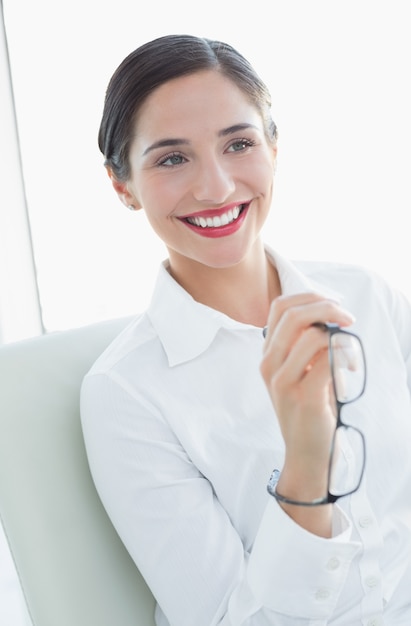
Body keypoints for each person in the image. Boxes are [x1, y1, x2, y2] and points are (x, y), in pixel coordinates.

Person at [80, 34, 411, 625]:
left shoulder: (366, 296)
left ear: (275, 148)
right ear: (122, 184)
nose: (216, 187)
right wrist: (307, 464)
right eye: (172, 158)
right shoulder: (125, 394)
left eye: (238, 144)